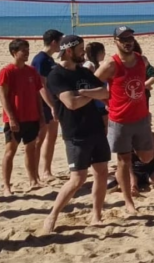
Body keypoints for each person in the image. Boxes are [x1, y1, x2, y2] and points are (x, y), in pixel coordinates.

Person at [43, 35, 111, 233]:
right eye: (80, 48)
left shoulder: (83, 72)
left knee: (101, 172)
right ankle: (53, 214)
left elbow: (104, 92)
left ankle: (96, 215)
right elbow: (71, 104)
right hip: (75, 132)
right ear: (69, 50)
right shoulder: (56, 75)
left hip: (96, 128)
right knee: (77, 179)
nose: (84, 52)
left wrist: (84, 93)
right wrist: (89, 94)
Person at [95, 26, 154, 213]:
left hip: (141, 118)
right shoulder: (110, 65)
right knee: (123, 160)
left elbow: (148, 81)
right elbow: (92, 84)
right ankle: (128, 202)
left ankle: (131, 152)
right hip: (119, 120)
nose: (127, 41)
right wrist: (107, 100)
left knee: (147, 157)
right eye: (123, 39)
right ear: (115, 41)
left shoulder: (142, 61)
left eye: (130, 37)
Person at [0, 39, 45, 196]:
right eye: (23, 50)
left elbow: (38, 95)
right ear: (14, 52)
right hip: (15, 118)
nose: (26, 52)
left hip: (31, 117)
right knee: (10, 151)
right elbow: (3, 96)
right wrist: (11, 117)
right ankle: (6, 186)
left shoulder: (31, 71)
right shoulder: (7, 71)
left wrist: (41, 116)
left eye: (27, 49)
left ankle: (33, 180)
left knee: (30, 149)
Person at [32, 29, 63, 181]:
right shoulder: (40, 60)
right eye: (60, 41)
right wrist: (51, 105)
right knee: (39, 139)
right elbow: (40, 86)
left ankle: (46, 171)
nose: (61, 45)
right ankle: (35, 174)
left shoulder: (50, 60)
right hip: (41, 104)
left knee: (51, 137)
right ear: (53, 42)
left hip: (52, 102)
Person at [84, 41, 108, 130]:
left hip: (100, 101)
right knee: (103, 128)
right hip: (97, 103)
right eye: (103, 51)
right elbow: (87, 83)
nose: (105, 54)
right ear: (99, 53)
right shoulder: (90, 65)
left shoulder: (96, 65)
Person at [133, 39, 154, 109]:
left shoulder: (142, 60)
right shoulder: (118, 61)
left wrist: (142, 86)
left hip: (142, 96)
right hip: (126, 97)